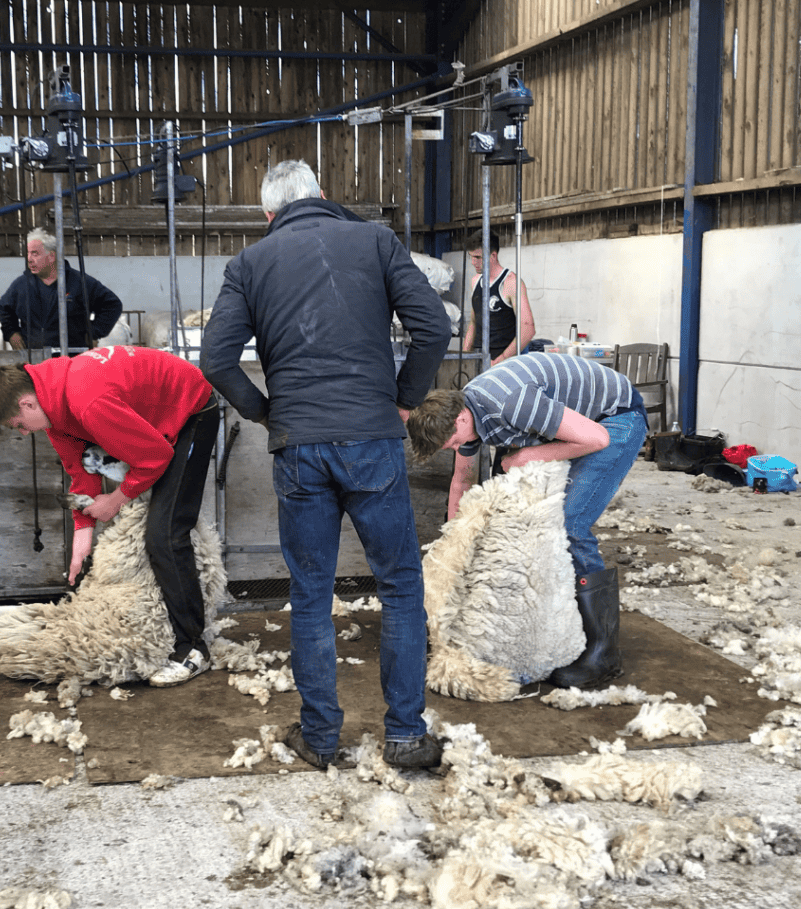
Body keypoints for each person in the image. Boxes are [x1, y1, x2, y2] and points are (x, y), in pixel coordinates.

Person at [200, 159, 451, 770]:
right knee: (399, 586)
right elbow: (434, 330)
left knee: (310, 594)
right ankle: (405, 735)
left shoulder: (250, 263)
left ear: (269, 214)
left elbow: (215, 360)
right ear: (322, 195)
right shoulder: (374, 240)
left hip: (299, 445)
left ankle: (319, 738)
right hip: (371, 439)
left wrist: (267, 413)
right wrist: (403, 400)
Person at [0, 345, 219, 686]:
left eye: (18, 424)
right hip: (156, 419)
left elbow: (155, 456)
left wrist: (116, 500)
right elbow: (81, 474)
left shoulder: (85, 400)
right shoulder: (53, 409)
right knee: (154, 523)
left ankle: (194, 649)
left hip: (192, 408)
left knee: (166, 533)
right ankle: (169, 627)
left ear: (27, 403)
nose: (23, 432)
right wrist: (82, 537)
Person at [405, 354, 647, 690]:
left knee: (568, 524)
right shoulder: (469, 413)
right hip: (581, 424)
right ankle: (556, 628)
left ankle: (604, 653)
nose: (455, 448)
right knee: (518, 519)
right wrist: (457, 540)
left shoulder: (509, 403)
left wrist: (527, 455)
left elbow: (596, 439)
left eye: (454, 443)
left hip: (615, 421)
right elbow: (463, 480)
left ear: (460, 419)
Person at [0, 229, 123, 350]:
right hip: (35, 358)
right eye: (28, 253)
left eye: (35, 253)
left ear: (52, 256)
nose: (29, 259)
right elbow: (4, 308)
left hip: (72, 357)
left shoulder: (79, 282)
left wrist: (94, 333)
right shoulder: (22, 284)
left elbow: (112, 304)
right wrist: (11, 332)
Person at [462, 229, 536, 366]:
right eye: (470, 256)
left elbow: (528, 330)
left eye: (478, 257)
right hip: (479, 358)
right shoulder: (475, 281)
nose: (473, 262)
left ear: (493, 256)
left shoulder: (511, 283)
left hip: (503, 361)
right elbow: (473, 322)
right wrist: (464, 358)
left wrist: (499, 361)